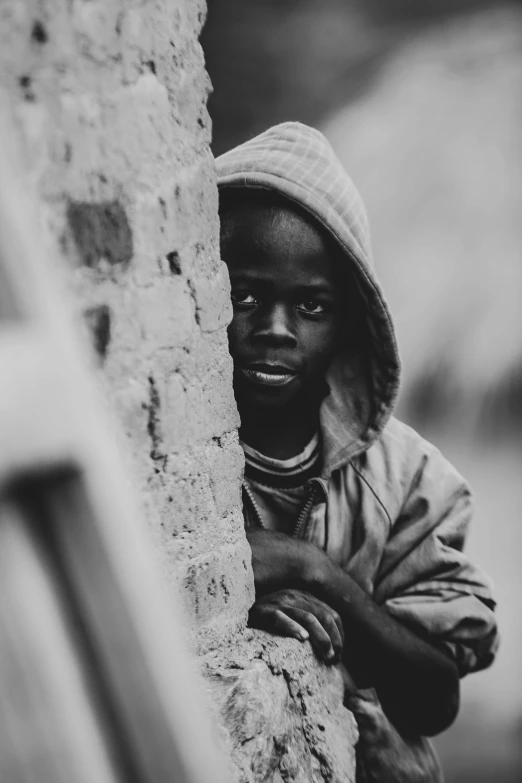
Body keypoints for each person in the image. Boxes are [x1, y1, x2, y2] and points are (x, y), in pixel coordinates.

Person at [216, 122, 498, 781]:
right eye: (244, 296)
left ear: (349, 324)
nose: (275, 330)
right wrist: (239, 608)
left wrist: (312, 569)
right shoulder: (171, 461)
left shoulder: (410, 482)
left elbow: (434, 698)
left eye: (311, 305)